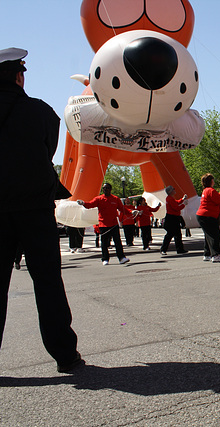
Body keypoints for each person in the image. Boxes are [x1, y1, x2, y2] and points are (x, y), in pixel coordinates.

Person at [0, 47, 82, 372]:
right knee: (48, 282)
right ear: (20, 76)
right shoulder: (41, 112)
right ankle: (65, 354)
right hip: (34, 209)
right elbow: (47, 152)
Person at [78, 183, 133, 265]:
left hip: (114, 224)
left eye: (107, 188)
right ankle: (105, 259)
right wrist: (83, 203)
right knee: (104, 243)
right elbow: (90, 204)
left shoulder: (115, 199)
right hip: (103, 224)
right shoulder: (99, 199)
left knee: (117, 242)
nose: (105, 189)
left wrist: (132, 212)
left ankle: (121, 258)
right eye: (104, 188)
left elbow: (122, 209)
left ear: (110, 189)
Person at [196, 174, 220, 262]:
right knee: (215, 235)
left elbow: (218, 196)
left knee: (208, 235)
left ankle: (207, 254)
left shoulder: (206, 190)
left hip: (203, 215)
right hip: (208, 216)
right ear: (211, 181)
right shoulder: (211, 190)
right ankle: (216, 255)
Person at [160, 186, 188, 255]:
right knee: (170, 234)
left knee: (177, 234)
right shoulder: (170, 199)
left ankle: (179, 249)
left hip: (173, 218)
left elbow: (176, 202)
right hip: (172, 218)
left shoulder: (170, 198)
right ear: (170, 191)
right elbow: (176, 207)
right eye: (173, 189)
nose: (175, 190)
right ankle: (163, 249)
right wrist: (184, 204)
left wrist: (182, 199)